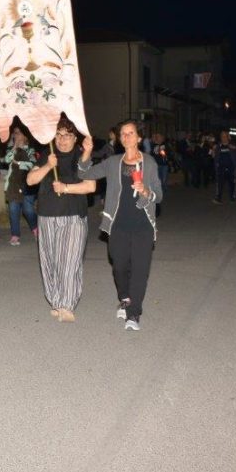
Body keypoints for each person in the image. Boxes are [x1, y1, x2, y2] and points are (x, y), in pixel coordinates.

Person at [77, 120, 163, 331]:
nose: (126, 136)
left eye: (131, 133)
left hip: (143, 224)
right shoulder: (113, 162)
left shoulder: (149, 163)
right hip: (118, 225)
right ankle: (125, 298)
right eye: (123, 133)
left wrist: (145, 191)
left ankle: (134, 313)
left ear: (139, 138)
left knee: (140, 269)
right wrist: (86, 152)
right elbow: (84, 173)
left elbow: (159, 195)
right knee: (119, 266)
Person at [27, 117, 93, 322]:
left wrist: (66, 188)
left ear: (75, 138)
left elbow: (90, 186)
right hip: (47, 216)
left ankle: (67, 304)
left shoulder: (82, 157)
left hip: (73, 216)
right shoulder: (48, 155)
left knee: (69, 262)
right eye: (58, 135)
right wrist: (48, 166)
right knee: (50, 262)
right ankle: (55, 301)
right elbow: (30, 180)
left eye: (67, 135)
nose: (62, 140)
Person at [2, 126, 38, 246]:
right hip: (13, 185)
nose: (15, 135)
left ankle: (35, 228)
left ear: (25, 136)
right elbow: (6, 160)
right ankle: (15, 235)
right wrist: (14, 148)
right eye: (14, 133)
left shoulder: (30, 150)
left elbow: (31, 165)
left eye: (18, 133)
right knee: (13, 209)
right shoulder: (11, 149)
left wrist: (18, 163)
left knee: (28, 210)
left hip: (27, 184)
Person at [212, 131, 236, 204]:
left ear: (228, 137)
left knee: (232, 182)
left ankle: (232, 197)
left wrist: (235, 148)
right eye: (222, 136)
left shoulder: (232, 145)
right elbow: (213, 156)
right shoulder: (218, 146)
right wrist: (213, 150)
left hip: (231, 167)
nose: (224, 138)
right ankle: (218, 198)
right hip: (220, 167)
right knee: (220, 183)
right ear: (220, 137)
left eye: (225, 136)